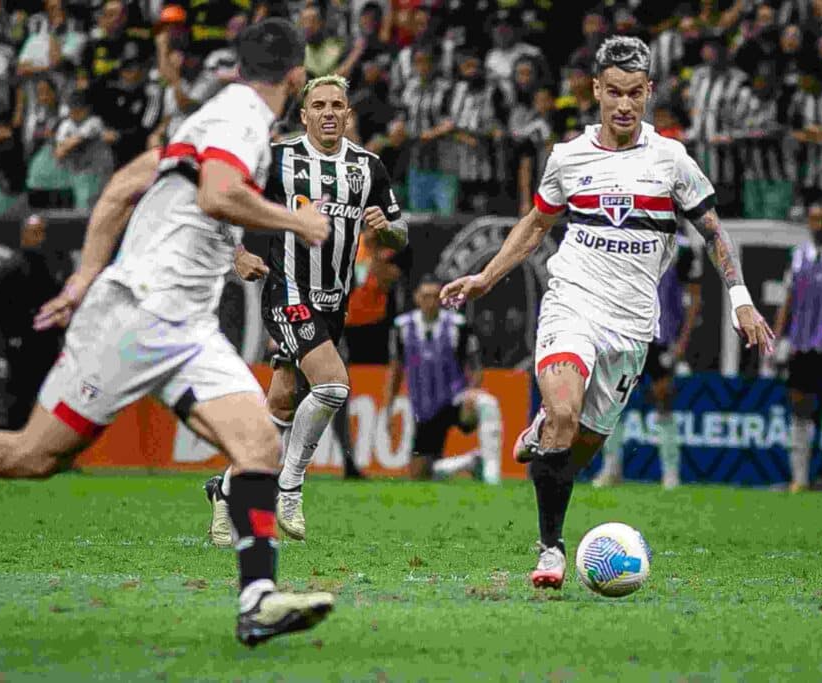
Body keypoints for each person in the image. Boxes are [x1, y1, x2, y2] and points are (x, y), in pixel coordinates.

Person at [0, 18, 335, 648]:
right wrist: (296, 223)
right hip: (138, 317)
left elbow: (121, 187)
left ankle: (256, 602)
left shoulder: (210, 117)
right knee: (33, 456)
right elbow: (219, 195)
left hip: (186, 325)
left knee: (257, 448)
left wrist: (85, 274)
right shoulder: (242, 121)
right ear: (296, 76)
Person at [440, 36, 775, 591]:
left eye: (635, 94)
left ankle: (547, 430)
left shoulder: (671, 160)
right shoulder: (567, 158)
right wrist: (486, 276)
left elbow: (714, 232)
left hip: (633, 324)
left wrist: (741, 299)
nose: (624, 105)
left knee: (576, 449)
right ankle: (550, 549)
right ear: (595, 90)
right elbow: (535, 225)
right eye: (613, 92)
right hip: (572, 300)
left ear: (648, 93)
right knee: (565, 414)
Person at [205, 74, 407, 547]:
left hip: (334, 303)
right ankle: (289, 488)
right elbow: (222, 201)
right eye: (319, 105)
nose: (330, 112)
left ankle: (226, 488)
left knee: (280, 403)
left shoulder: (369, 167)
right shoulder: (279, 159)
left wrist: (387, 228)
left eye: (338, 104)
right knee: (334, 385)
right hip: (287, 290)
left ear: (348, 113)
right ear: (304, 114)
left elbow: (400, 233)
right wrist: (236, 254)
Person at [594, 232, 704, 489]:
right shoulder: (629, 237)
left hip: (663, 337)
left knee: (663, 398)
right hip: (630, 333)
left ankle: (670, 473)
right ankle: (611, 469)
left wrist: (682, 342)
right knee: (614, 401)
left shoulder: (684, 248)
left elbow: (695, 298)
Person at [384, 275, 502, 483]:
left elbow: (474, 367)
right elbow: (395, 371)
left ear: (441, 298)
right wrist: (389, 408)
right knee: (420, 477)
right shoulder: (402, 327)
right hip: (425, 410)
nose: (430, 301)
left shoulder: (458, 325)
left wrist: (473, 390)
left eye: (434, 296)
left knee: (487, 404)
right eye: (425, 296)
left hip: (455, 400)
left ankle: (492, 476)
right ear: (417, 298)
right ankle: (470, 462)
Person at [0, 215, 68, 430]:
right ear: (24, 235)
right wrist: (6, 338)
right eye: (34, 232)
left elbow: (56, 301)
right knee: (18, 398)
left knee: (43, 396)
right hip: (20, 344)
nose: (40, 238)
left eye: (42, 232)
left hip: (44, 343)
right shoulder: (12, 267)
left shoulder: (51, 266)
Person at [773, 202, 822, 493]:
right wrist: (778, 338)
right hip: (801, 345)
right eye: (814, 220)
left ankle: (821, 476)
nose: (818, 225)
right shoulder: (797, 257)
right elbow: (787, 300)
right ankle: (800, 478)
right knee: (799, 408)